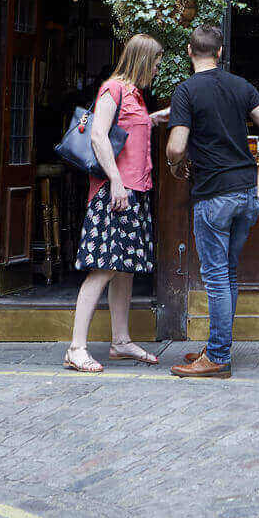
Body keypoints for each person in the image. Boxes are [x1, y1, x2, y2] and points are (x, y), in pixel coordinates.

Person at [165, 24, 259, 378]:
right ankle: (218, 346)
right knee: (227, 273)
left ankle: (216, 355)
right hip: (246, 192)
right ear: (219, 53)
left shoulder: (186, 91)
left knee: (216, 277)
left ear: (188, 51)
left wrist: (173, 164)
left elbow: (176, 146)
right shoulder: (240, 85)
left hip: (214, 194)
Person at [66, 33, 165, 373]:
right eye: (155, 63)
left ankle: (120, 341)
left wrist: (155, 118)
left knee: (124, 268)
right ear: (142, 59)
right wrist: (116, 182)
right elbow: (97, 135)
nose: (156, 69)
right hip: (115, 193)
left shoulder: (135, 95)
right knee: (103, 267)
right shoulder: (114, 89)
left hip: (134, 190)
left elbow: (127, 132)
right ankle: (76, 347)